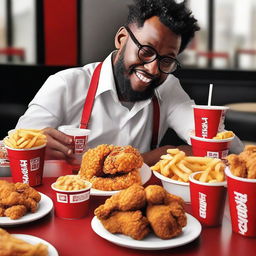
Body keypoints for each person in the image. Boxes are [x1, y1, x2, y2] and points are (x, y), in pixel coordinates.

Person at [16, 0, 243, 166]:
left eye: (166, 60)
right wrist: (32, 144)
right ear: (122, 39)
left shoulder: (169, 87)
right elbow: (10, 150)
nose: (153, 69)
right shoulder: (65, 85)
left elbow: (220, 144)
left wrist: (215, 143)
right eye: (146, 51)